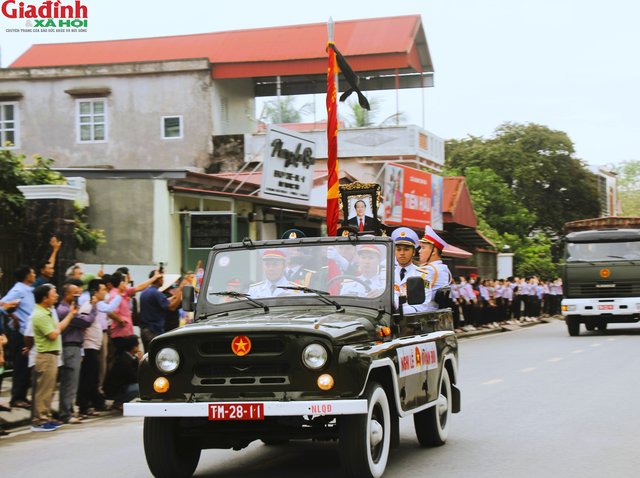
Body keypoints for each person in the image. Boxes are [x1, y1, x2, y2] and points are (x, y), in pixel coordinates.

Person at [31, 284, 76, 432]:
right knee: (43, 391)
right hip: (45, 357)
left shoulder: (47, 311)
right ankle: (40, 421)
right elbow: (53, 334)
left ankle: (46, 417)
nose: (56, 295)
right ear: (45, 298)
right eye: (53, 293)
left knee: (49, 390)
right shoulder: (40, 315)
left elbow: (58, 328)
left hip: (50, 356)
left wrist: (70, 315)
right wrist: (57, 328)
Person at [56, 282, 98, 424]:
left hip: (75, 346)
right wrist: (93, 308)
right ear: (67, 294)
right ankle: (65, 413)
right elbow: (86, 322)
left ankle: (69, 409)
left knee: (72, 381)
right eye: (75, 292)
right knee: (69, 381)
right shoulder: (64, 310)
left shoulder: (70, 308)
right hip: (70, 347)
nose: (78, 294)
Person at [1, 265, 36, 410]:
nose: (34, 275)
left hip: (27, 332)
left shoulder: (29, 290)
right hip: (20, 333)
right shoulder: (18, 289)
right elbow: (3, 303)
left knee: (26, 367)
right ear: (27, 276)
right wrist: (13, 317)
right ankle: (16, 398)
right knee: (20, 366)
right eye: (33, 272)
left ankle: (22, 396)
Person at [76, 279, 111, 416]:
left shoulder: (94, 306)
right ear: (95, 292)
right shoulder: (88, 306)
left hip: (94, 347)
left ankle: (95, 402)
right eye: (102, 290)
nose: (105, 292)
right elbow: (83, 324)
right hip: (88, 346)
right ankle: (83, 406)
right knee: (87, 378)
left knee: (93, 377)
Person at [109, 271, 162, 353]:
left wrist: (154, 278)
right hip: (120, 333)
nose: (127, 282)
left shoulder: (124, 291)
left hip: (127, 333)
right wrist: (120, 320)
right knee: (121, 358)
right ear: (121, 282)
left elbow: (140, 287)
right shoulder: (114, 294)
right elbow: (110, 312)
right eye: (124, 280)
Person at [139, 271, 186, 351]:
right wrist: (180, 292)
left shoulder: (145, 292)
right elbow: (172, 307)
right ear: (158, 280)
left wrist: (171, 299)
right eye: (162, 278)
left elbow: (157, 305)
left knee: (148, 355)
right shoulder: (156, 293)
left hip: (144, 330)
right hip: (153, 330)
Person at [391, 227, 430, 314]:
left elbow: (423, 306)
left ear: (413, 252)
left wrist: (399, 310)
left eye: (406, 249)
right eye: (398, 249)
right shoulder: (386, 273)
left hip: (411, 320)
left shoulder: (423, 275)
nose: (402, 253)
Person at [417, 226, 452, 312]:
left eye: (423, 247)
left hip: (424, 311)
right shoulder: (442, 268)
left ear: (433, 251)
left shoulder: (429, 270)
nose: (419, 251)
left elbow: (416, 294)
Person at [104, 335, 142, 410]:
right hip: (113, 391)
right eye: (138, 345)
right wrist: (139, 363)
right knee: (138, 388)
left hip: (118, 388)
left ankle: (119, 401)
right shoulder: (124, 360)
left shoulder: (126, 357)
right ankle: (118, 402)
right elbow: (133, 378)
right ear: (134, 347)